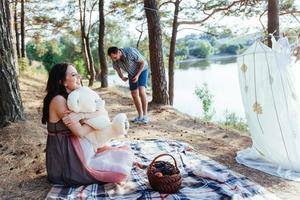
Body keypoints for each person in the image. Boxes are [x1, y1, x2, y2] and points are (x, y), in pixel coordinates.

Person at [42, 63, 103, 186]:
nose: (79, 77)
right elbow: (80, 132)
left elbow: (101, 109)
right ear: (63, 82)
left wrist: (82, 116)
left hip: (73, 151)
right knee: (113, 168)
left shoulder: (72, 98)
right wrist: (98, 123)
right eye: (74, 74)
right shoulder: (59, 100)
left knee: (112, 158)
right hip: (65, 162)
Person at [107, 46, 149, 124]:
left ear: (119, 52)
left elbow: (142, 62)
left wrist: (137, 75)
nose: (114, 59)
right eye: (112, 58)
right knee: (134, 93)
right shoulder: (115, 61)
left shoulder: (130, 52)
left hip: (142, 70)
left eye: (115, 57)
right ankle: (140, 116)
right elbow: (118, 70)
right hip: (131, 73)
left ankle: (145, 116)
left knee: (141, 91)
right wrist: (122, 77)